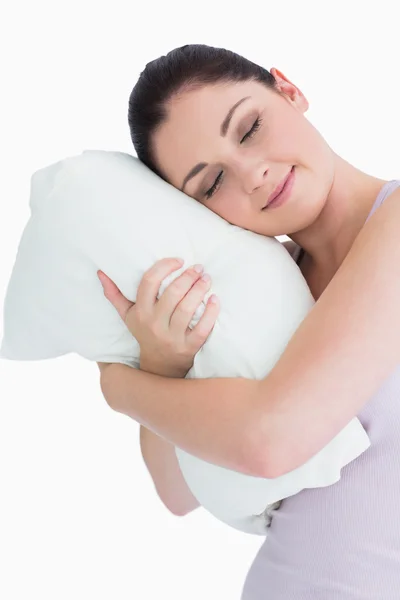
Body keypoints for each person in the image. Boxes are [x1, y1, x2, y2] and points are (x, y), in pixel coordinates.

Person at [97, 44, 400, 598]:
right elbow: (177, 491)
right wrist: (164, 363)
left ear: (288, 89)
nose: (252, 174)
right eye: (210, 184)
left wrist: (121, 387)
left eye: (249, 127)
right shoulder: (265, 291)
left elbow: (269, 442)